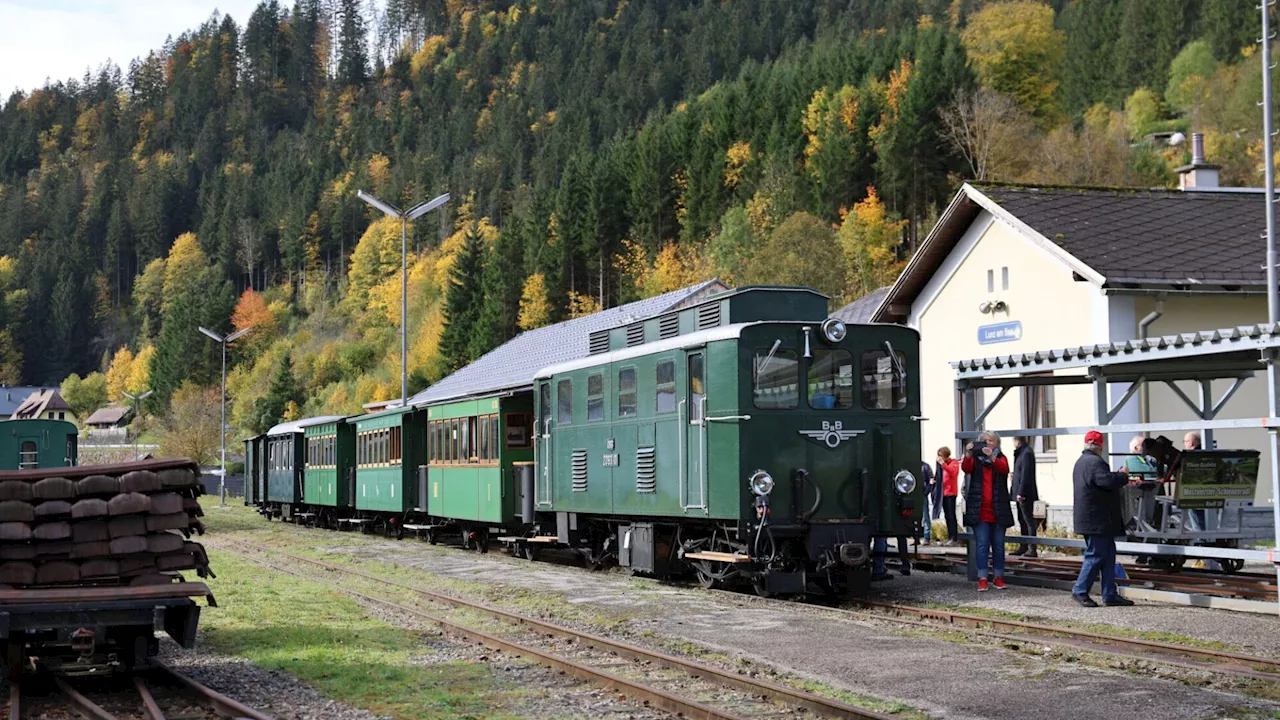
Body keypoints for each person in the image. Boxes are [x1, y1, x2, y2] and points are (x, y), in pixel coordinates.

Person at [1071, 430, 1134, 607]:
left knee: (1107, 556)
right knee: (1096, 555)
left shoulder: (1082, 462)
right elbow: (1105, 481)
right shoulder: (1095, 463)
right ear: (1100, 446)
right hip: (1097, 520)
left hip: (1093, 519)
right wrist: (1122, 476)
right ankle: (1080, 590)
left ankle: (1110, 593)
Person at [961, 431, 1014, 591]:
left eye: (990, 441)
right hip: (980, 511)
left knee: (998, 546)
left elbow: (1004, 469)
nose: (987, 443)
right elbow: (966, 468)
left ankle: (998, 577)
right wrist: (969, 453)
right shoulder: (975, 460)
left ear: (996, 443)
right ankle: (982, 578)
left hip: (998, 510)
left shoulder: (1000, 457)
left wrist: (992, 457)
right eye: (984, 441)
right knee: (982, 546)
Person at [1011, 437, 1039, 557]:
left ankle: (1032, 548)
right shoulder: (1021, 453)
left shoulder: (1026, 453)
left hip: (1025, 494)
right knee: (1022, 520)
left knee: (1028, 521)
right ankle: (1024, 546)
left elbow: (1026, 474)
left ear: (1017, 441)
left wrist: (1021, 492)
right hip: (1019, 492)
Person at [937, 447, 961, 544]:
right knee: (947, 515)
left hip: (951, 493)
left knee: (951, 515)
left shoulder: (953, 462)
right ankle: (949, 536)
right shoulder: (942, 466)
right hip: (943, 493)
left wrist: (943, 464)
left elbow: (952, 472)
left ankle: (954, 537)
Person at [918, 460, 935, 545]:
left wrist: (926, 491)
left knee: (925, 516)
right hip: (916, 493)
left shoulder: (925, 466)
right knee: (917, 517)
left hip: (922, 493)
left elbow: (931, 480)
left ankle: (926, 537)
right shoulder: (924, 466)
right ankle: (917, 537)